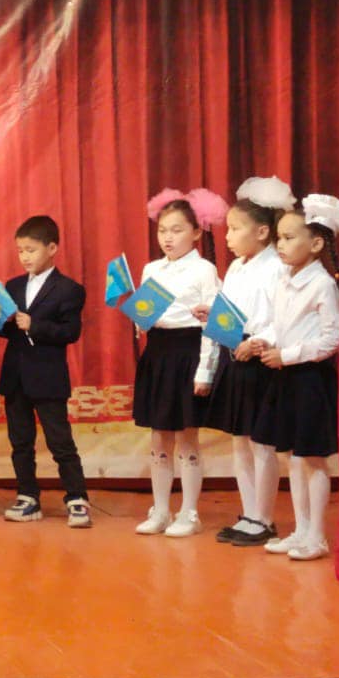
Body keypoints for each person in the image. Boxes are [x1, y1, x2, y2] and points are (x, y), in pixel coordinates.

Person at [195, 178, 292, 546]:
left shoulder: (277, 267)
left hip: (260, 359)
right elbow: (231, 313)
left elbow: (282, 316)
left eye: (236, 229)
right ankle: (249, 513)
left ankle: (264, 518)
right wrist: (214, 315)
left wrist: (257, 340)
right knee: (240, 441)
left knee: (261, 443)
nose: (228, 237)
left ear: (263, 232)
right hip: (234, 357)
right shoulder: (236, 267)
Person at [249, 195, 339, 562]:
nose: (281, 245)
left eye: (289, 238)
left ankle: (317, 536)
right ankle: (301, 530)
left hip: (310, 380)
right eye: (279, 238)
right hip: (285, 378)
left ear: (316, 244)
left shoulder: (322, 285)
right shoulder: (284, 279)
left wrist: (287, 355)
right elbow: (279, 324)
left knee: (312, 458)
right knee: (291, 457)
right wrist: (265, 340)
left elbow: (331, 340)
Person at [132, 193, 220, 538]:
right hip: (158, 353)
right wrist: (139, 317)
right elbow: (145, 318)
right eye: (162, 230)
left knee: (187, 438)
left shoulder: (204, 270)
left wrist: (205, 371)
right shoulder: (152, 269)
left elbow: (213, 325)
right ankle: (160, 510)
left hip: (189, 353)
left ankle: (190, 512)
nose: (167, 238)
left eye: (177, 230)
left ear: (196, 232)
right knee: (159, 437)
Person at [0, 215, 92, 528]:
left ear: (52, 248)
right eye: (20, 251)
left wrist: (34, 325)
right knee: (20, 441)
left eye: (31, 250)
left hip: (48, 376)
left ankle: (77, 498)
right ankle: (27, 496)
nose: (24, 257)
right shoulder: (13, 286)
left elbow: (70, 332)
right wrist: (0, 319)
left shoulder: (69, 289)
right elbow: (5, 331)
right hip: (16, 375)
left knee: (59, 441)